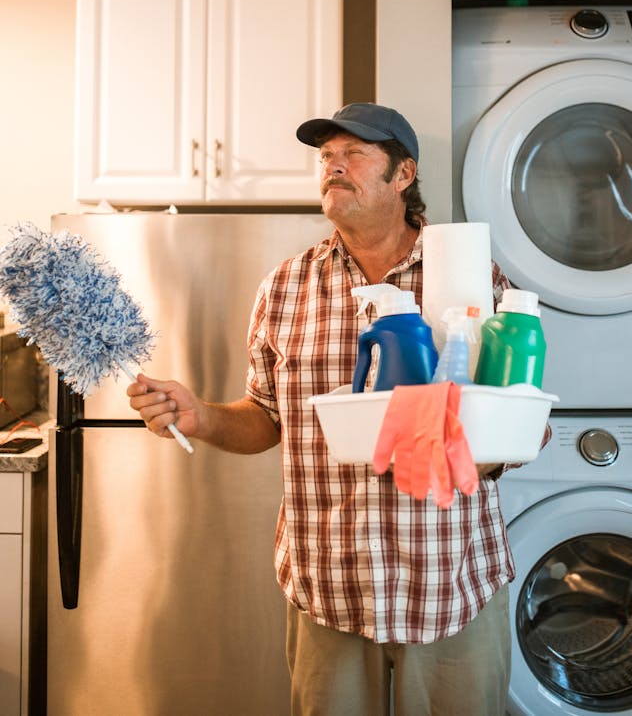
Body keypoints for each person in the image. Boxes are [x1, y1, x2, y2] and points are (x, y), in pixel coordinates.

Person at [128, 103, 515, 716]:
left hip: (449, 585)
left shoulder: (469, 276)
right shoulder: (284, 288)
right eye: (325, 157)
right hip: (328, 590)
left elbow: (523, 414)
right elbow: (264, 419)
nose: (333, 167)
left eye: (353, 154)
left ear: (404, 174)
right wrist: (199, 416)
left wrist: (476, 449)